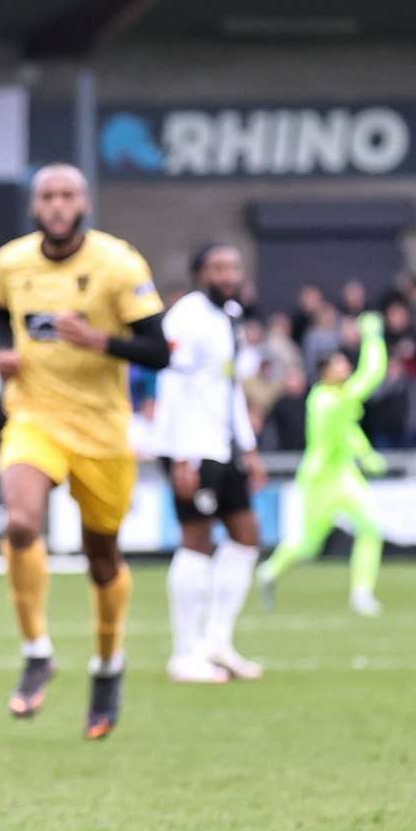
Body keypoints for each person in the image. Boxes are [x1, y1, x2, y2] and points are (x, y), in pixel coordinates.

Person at [0, 162, 169, 738]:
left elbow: (159, 351)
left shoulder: (118, 264)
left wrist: (101, 341)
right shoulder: (10, 263)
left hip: (102, 430)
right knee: (18, 523)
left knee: (102, 556)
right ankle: (37, 650)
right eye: (48, 196)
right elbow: (0, 319)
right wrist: (3, 353)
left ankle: (108, 664)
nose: (58, 204)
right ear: (36, 206)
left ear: (84, 203)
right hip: (35, 415)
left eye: (68, 195)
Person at [151, 244, 267, 684]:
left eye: (234, 267)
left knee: (246, 534)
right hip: (191, 447)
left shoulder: (230, 315)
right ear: (201, 273)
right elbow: (173, 383)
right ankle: (184, 654)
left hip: (224, 445)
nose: (228, 275)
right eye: (219, 268)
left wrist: (249, 447)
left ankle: (217, 642)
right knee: (196, 540)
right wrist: (181, 455)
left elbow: (229, 385)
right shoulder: (186, 317)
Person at [258, 313, 388, 617]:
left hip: (344, 474)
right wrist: (373, 337)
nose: (345, 367)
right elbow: (372, 374)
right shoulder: (325, 401)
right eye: (339, 363)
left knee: (371, 527)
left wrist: (365, 454)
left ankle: (361, 593)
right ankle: (269, 571)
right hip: (319, 479)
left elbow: (347, 432)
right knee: (308, 545)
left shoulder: (337, 399)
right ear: (325, 371)